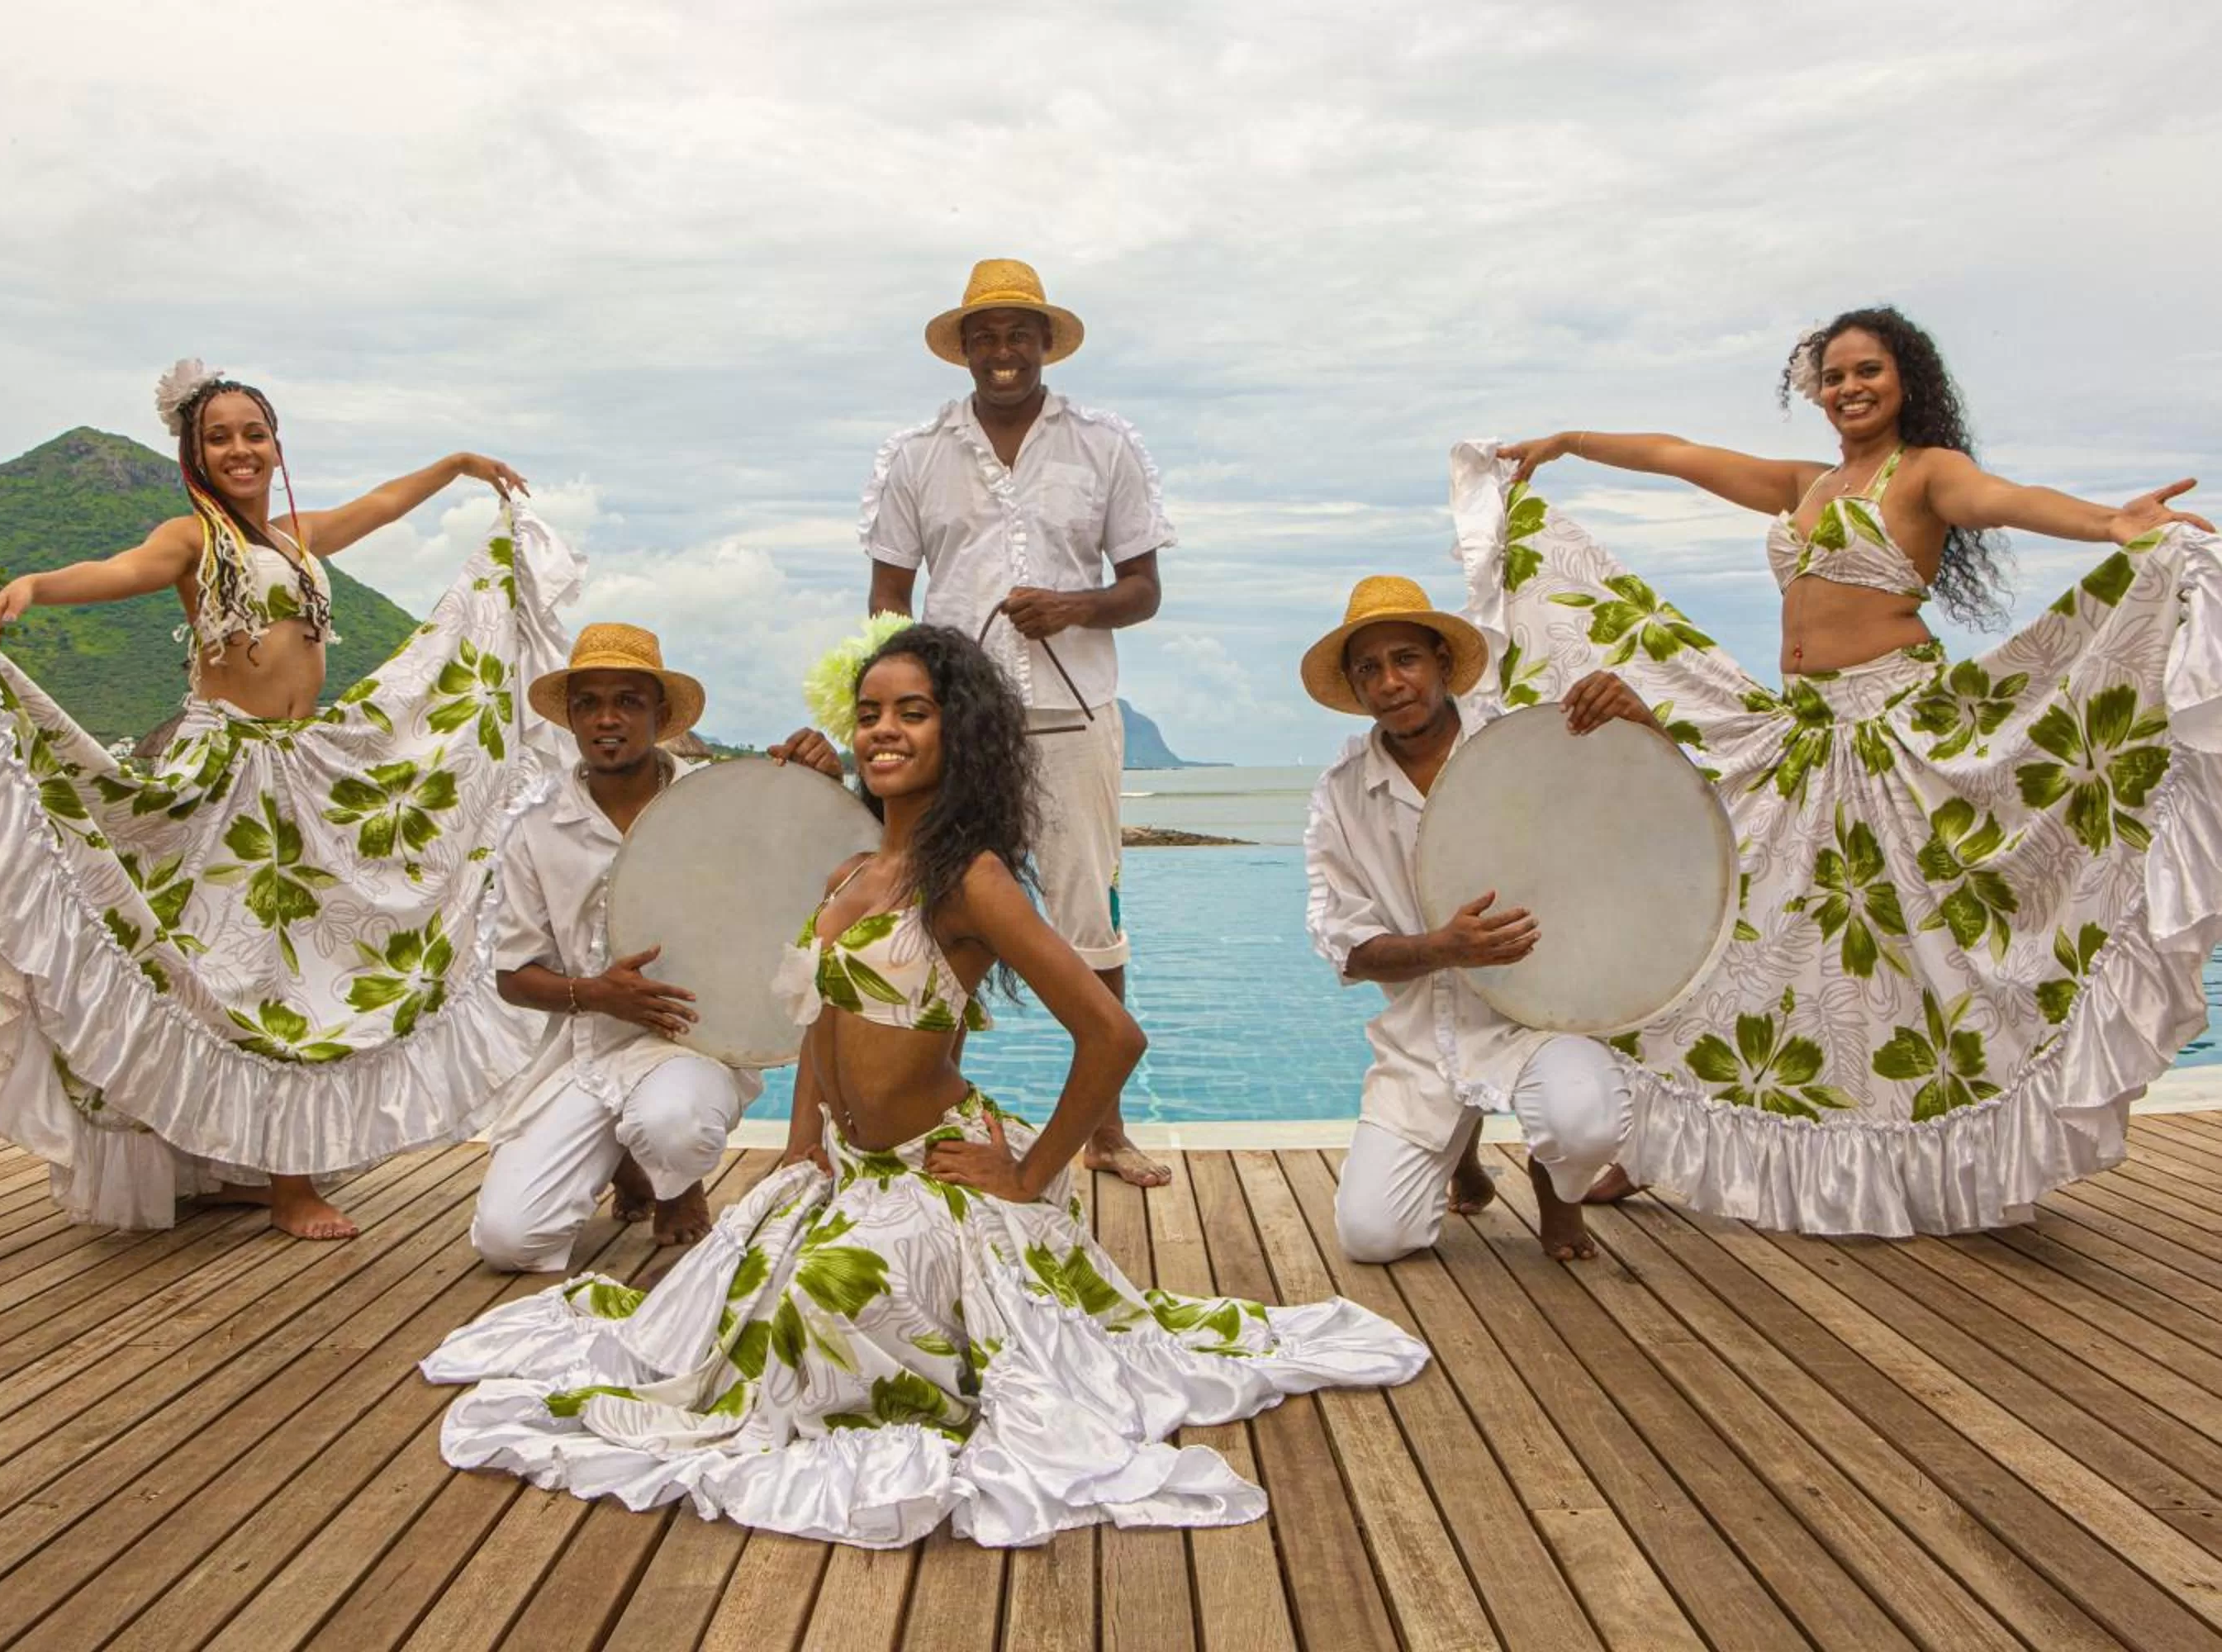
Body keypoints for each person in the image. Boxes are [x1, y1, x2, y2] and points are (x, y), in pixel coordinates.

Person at [422, 624, 1427, 1549]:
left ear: (961, 731)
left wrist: (1031, 1172)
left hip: (939, 1169)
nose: (884, 730)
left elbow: (1113, 1033)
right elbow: (820, 1017)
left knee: (816, 1309)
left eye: (913, 710)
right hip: (844, 1169)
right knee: (702, 1323)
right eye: (870, 712)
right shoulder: (851, 872)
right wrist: (801, 1141)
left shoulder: (970, 878)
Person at [1479, 304, 2222, 1236]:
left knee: (1927, 954)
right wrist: (1573, 441)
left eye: (1867, 371)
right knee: (1732, 931)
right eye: (1832, 376)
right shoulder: (1805, 482)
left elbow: (2008, 498)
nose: (1849, 388)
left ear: (1905, 379)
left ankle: (1970, 1158)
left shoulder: (1928, 473)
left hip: (1895, 732)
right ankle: (1654, 1137)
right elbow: (1678, 453)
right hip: (1803, 736)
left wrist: (2112, 521)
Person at [0, 358, 577, 1240]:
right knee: (255, 974)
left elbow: (381, 503)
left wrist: (457, 464)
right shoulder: (192, 537)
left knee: (290, 964)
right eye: (218, 436)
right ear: (194, 454)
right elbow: (126, 566)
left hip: (302, 767)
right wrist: (38, 585)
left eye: (253, 433)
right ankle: (289, 1185)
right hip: (229, 775)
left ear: (276, 445)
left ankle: (233, 1162)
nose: (239, 447)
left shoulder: (297, 540)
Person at [860, 258, 1175, 1188]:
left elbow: (1146, 590)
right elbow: (887, 597)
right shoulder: (916, 455)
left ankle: (1108, 1131)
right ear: (963, 349)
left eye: (1018, 333)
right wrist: (893, 702)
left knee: (1090, 915)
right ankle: (922, 1106)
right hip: (952, 724)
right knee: (934, 908)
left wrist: (1077, 606)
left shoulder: (1106, 444)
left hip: (1073, 719)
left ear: (1046, 341)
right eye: (984, 335)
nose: (1002, 350)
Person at [1302, 577, 1653, 1262]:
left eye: (1406, 658)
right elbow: (1341, 943)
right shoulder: (1341, 795)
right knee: (1373, 1239)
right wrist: (1442, 948)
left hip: (1541, 1018)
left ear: (1439, 661)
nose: (1390, 682)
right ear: (1354, 686)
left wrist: (1643, 725)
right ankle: (1460, 1153)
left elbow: (1639, 815)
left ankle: (1558, 1192)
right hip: (1420, 1039)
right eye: (1368, 669)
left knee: (1585, 1126)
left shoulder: (1528, 745)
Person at [470, 621, 843, 1267]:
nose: (606, 719)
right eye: (588, 703)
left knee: (675, 1126)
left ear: (661, 714)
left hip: (694, 1044)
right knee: (509, 1240)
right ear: (572, 717)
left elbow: (813, 860)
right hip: (587, 1054)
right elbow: (512, 976)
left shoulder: (720, 798)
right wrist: (597, 995)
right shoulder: (537, 827)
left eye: (628, 701)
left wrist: (821, 784)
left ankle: (675, 1180)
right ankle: (628, 1163)